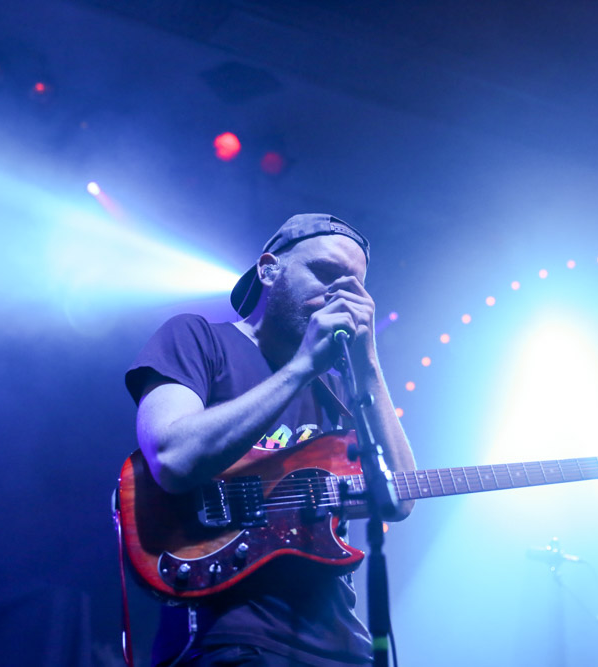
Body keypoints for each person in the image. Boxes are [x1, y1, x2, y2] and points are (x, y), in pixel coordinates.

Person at [124, 214, 417, 666]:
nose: (340, 295)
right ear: (268, 269)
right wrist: (300, 367)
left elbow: (397, 497)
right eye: (323, 272)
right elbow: (171, 456)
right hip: (228, 638)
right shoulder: (198, 339)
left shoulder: (341, 389)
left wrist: (368, 362)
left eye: (354, 285)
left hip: (342, 646)